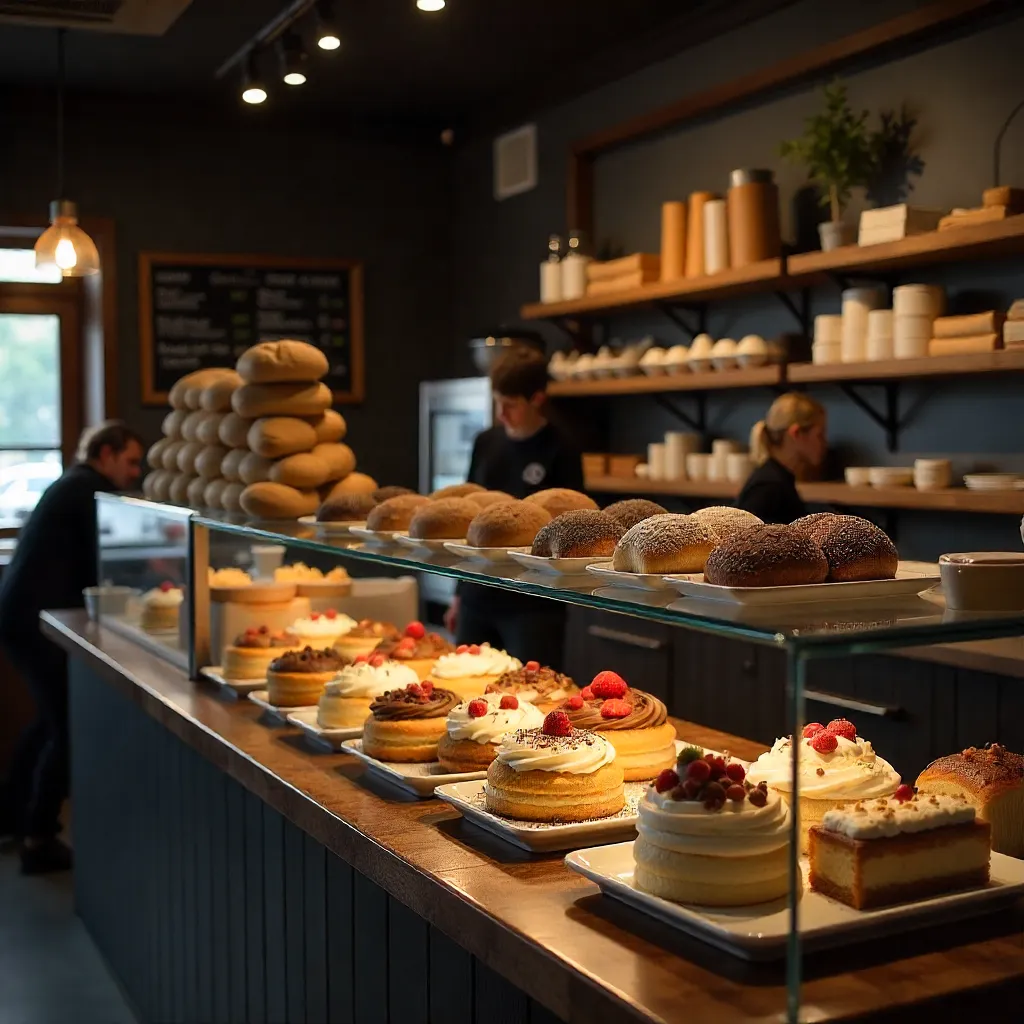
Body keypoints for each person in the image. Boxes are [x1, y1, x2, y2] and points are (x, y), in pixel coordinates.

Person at [0, 421, 143, 873]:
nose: (135, 472)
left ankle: (13, 817)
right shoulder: (88, 490)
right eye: (131, 461)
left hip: (22, 616)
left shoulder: (74, 483)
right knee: (65, 726)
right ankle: (38, 837)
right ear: (104, 453)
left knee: (48, 720)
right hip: (35, 622)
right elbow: (110, 558)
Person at [445, 347, 583, 665]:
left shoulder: (562, 448)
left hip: (533, 602)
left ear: (536, 399)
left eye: (510, 405)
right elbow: (469, 523)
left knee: (534, 695)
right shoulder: (485, 443)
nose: (501, 414)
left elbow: (574, 529)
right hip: (477, 593)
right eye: (497, 402)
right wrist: (458, 596)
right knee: (468, 688)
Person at [737, 392, 827, 525]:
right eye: (820, 435)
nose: (825, 443)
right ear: (796, 434)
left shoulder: (777, 479)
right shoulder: (769, 487)